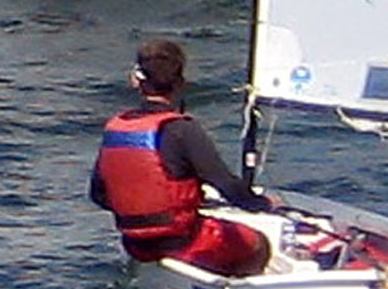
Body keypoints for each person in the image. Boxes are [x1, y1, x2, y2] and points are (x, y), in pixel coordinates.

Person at [91, 37, 274, 276]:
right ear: (180, 82)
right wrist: (263, 204)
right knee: (258, 244)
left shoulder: (116, 129)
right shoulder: (183, 129)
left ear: (136, 80)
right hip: (182, 241)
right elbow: (227, 185)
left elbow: (99, 195)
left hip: (135, 245)